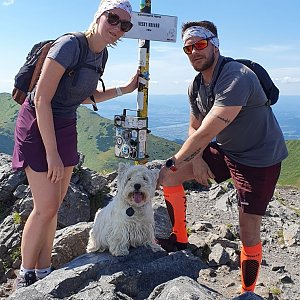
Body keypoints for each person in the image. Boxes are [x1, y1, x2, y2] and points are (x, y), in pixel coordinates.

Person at [12, 0, 138, 288]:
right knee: (44, 207)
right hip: (37, 123)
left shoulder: (101, 55)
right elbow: (42, 98)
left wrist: (126, 89)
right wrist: (52, 154)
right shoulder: (70, 45)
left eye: (125, 25)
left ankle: (43, 271)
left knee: (54, 206)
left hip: (65, 123)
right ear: (99, 16)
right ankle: (25, 275)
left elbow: (85, 96)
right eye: (113, 18)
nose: (118, 27)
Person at [158, 20, 288, 294]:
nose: (194, 51)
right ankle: (179, 239)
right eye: (188, 48)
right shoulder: (196, 85)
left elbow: (207, 131)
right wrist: (195, 160)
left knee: (247, 227)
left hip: (259, 158)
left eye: (200, 44)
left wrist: (174, 160)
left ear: (215, 45)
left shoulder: (236, 77)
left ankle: (247, 292)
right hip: (227, 149)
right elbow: (195, 127)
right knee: (170, 178)